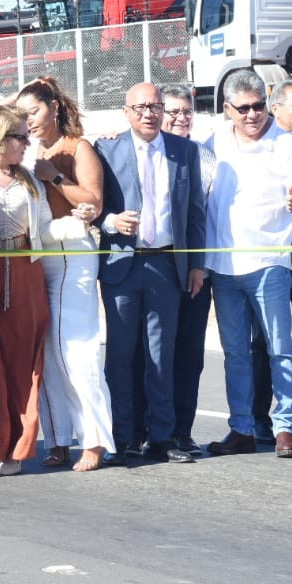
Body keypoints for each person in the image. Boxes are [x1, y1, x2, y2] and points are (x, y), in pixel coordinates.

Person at [0, 106, 78, 476]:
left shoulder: (30, 179)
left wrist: (78, 225)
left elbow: (43, 231)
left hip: (24, 273)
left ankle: (14, 449)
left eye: (28, 136)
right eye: (20, 137)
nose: (29, 144)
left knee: (23, 365)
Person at [94, 82, 206, 465]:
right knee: (122, 356)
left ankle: (162, 437)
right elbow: (93, 205)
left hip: (166, 265)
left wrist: (196, 264)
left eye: (156, 106)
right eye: (140, 107)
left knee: (162, 355)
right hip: (122, 265)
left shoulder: (184, 151)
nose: (149, 114)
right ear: (126, 112)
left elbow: (195, 213)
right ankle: (123, 438)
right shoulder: (106, 149)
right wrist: (110, 220)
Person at [7, 78, 115, 472]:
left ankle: (96, 439)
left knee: (74, 347)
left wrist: (54, 175)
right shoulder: (26, 149)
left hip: (74, 255)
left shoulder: (77, 148)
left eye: (32, 111)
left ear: (53, 107)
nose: (28, 121)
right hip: (41, 256)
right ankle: (58, 439)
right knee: (47, 352)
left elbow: (94, 201)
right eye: (22, 115)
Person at [202, 71, 292, 459]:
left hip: (270, 263)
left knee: (281, 349)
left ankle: (284, 429)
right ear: (227, 109)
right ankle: (241, 427)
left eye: (259, 106)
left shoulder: (286, 144)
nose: (252, 115)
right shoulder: (213, 142)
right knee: (236, 353)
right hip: (224, 268)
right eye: (243, 108)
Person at [156, 86, 220, 455]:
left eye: (187, 111)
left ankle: (182, 429)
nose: (181, 118)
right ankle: (150, 429)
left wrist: (200, 265)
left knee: (189, 356)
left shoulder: (206, 155)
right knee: (155, 354)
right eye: (173, 111)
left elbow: (203, 213)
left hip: (197, 272)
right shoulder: (148, 151)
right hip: (161, 269)